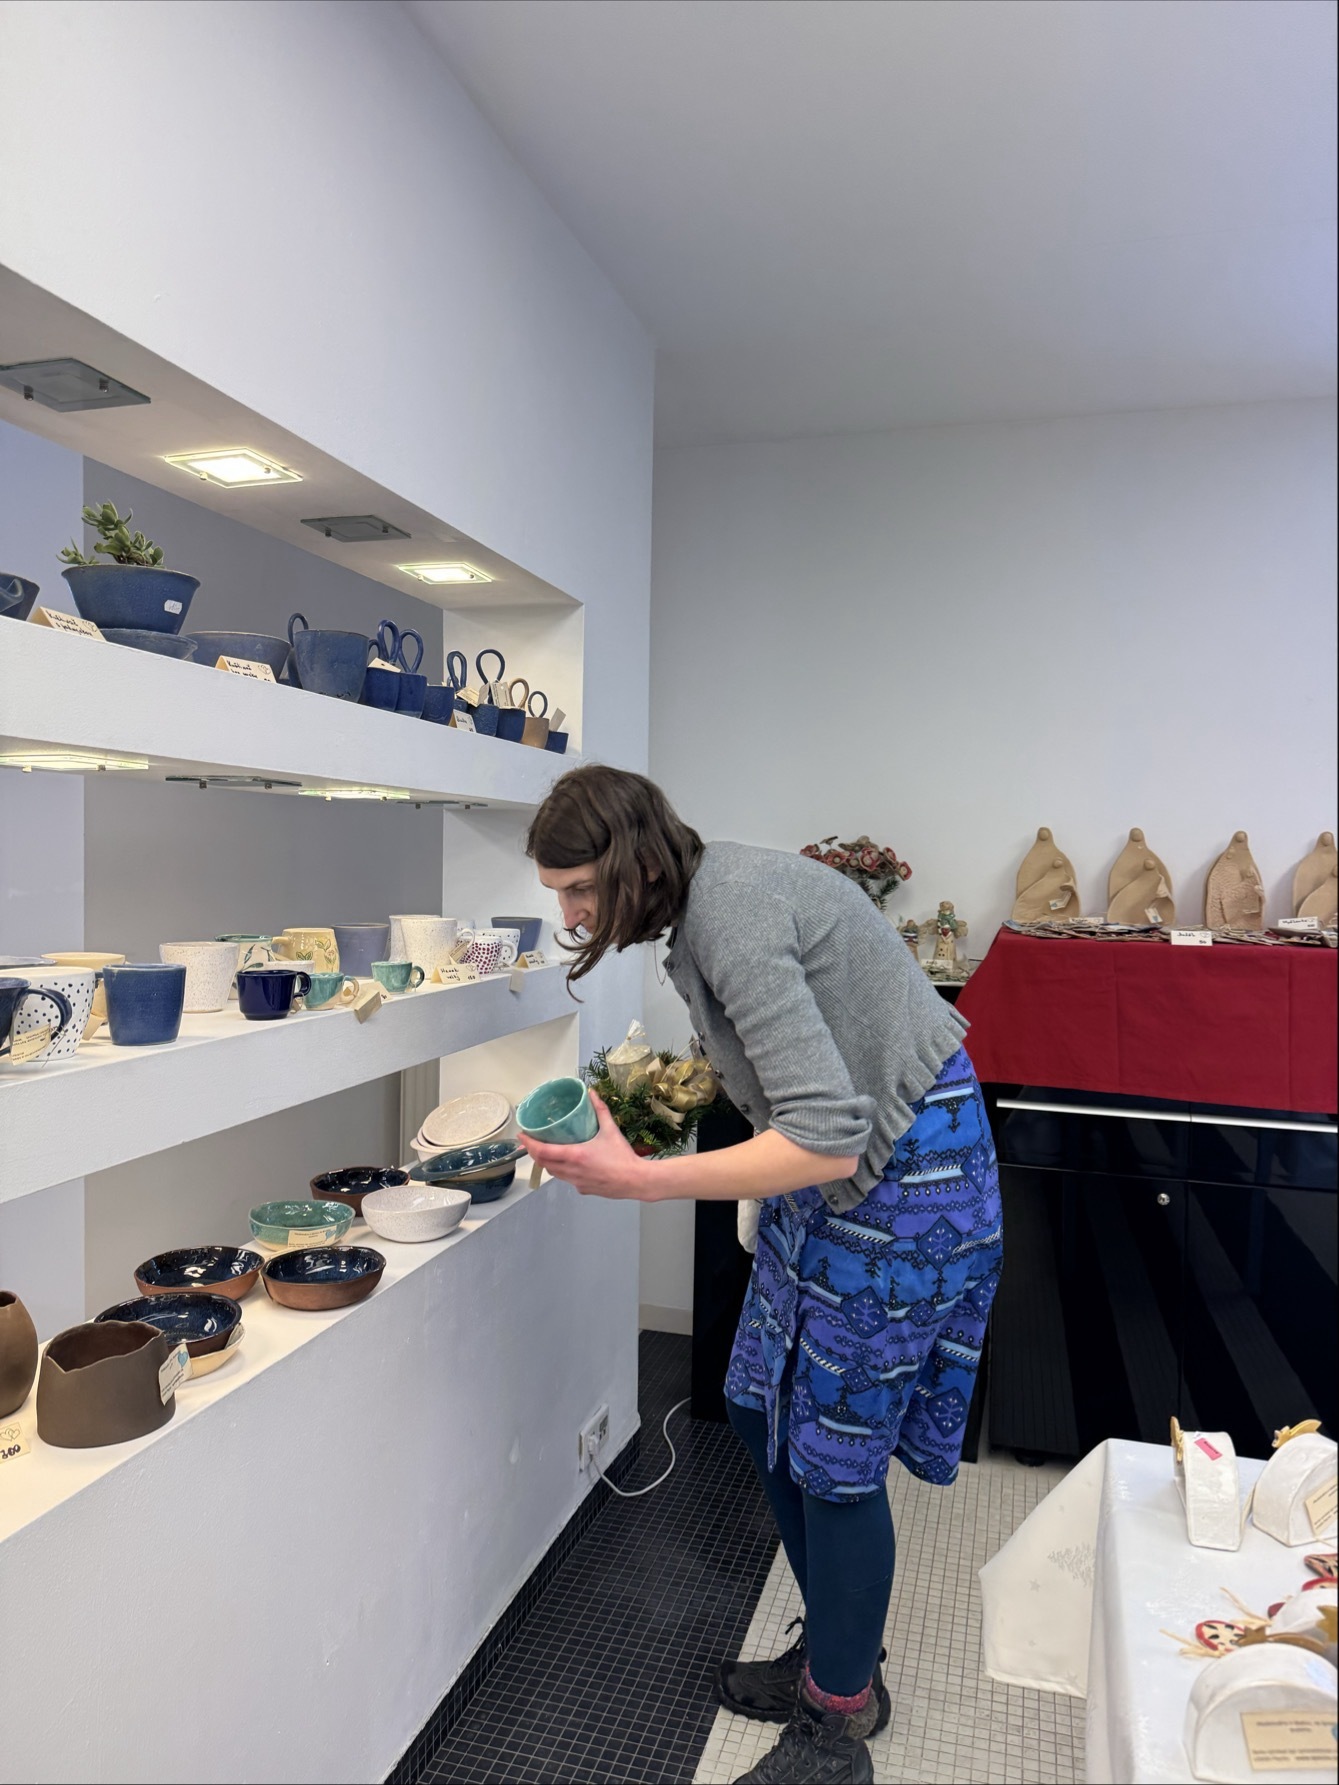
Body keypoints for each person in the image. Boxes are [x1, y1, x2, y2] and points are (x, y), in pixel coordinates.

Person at [519, 766, 1003, 1785]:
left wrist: (642, 1180)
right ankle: (838, 1650)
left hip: (906, 1181)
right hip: (841, 1179)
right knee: (753, 1402)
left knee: (835, 1461)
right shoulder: (704, 899)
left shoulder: (729, 912)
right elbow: (801, 1099)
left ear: (635, 861)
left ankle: (836, 1723)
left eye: (580, 889)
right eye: (557, 892)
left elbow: (826, 1136)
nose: (570, 916)